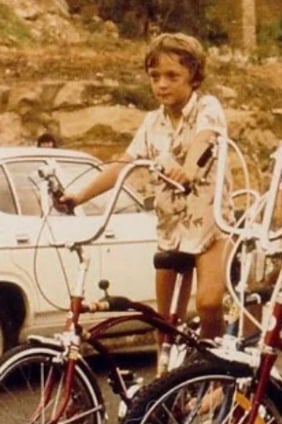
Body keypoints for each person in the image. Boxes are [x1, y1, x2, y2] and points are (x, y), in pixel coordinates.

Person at [61, 32, 230, 375]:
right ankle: (164, 382)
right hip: (171, 228)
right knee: (165, 321)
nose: (162, 84)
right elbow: (123, 164)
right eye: (155, 77)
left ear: (194, 77)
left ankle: (218, 374)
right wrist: (78, 195)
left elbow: (205, 139)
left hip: (210, 224)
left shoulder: (207, 107)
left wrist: (187, 169)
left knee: (209, 303)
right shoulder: (152, 123)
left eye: (172, 76)